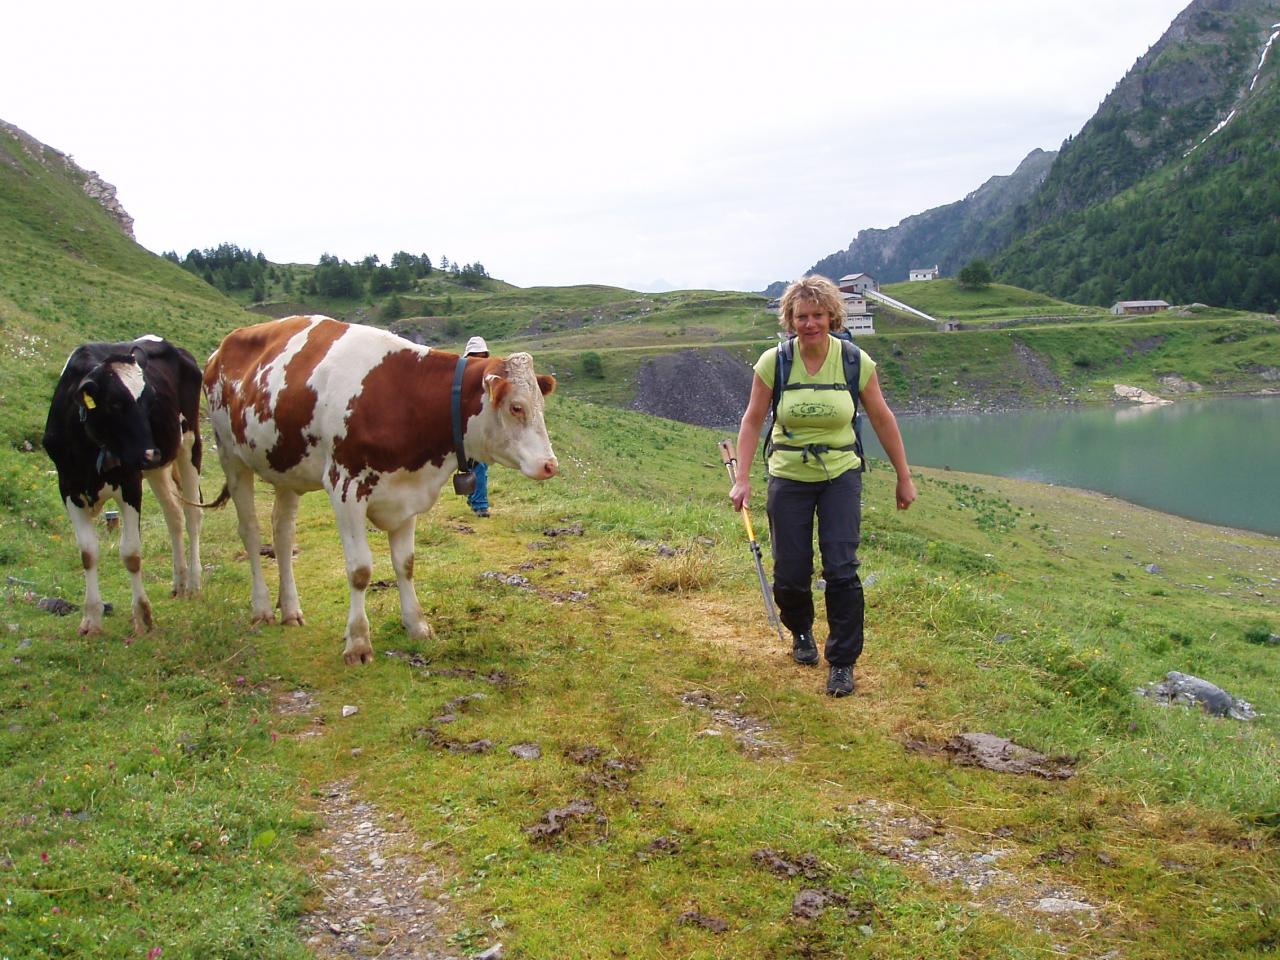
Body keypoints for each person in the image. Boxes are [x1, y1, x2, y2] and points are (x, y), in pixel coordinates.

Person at [729, 275, 916, 697]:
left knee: (841, 569)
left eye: (818, 315)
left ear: (832, 316)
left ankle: (843, 661)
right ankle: (801, 632)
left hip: (840, 475)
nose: (810, 323)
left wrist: (904, 477)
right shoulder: (773, 362)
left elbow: (883, 418)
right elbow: (752, 419)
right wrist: (742, 479)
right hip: (789, 475)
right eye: (801, 316)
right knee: (791, 574)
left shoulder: (855, 362)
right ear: (789, 319)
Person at [463, 336, 491, 518]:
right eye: (475, 356)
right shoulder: (462, 379)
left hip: (483, 430)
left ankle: (474, 499)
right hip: (467, 431)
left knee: (479, 466)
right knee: (478, 466)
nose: (478, 360)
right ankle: (480, 505)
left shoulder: (488, 380)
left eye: (482, 356)